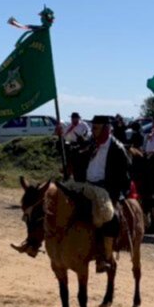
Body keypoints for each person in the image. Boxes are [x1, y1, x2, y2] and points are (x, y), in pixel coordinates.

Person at [50, 115, 133, 270]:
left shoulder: (117, 149)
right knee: (58, 197)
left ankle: (104, 255)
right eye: (93, 128)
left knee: (107, 216)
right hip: (85, 185)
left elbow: (123, 176)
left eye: (96, 128)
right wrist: (61, 140)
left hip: (105, 189)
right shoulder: (91, 144)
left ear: (105, 129)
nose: (93, 131)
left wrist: (113, 194)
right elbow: (72, 152)